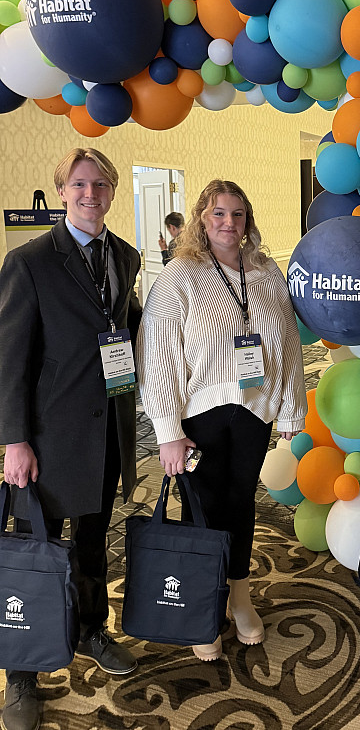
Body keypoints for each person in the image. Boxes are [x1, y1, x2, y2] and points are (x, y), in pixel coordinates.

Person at [135, 179, 306, 662]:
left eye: (236, 214)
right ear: (201, 220)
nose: (228, 223)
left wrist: (292, 407)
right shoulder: (179, 275)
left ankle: (240, 593)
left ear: (247, 220)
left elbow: (288, 341)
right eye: (217, 214)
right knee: (204, 508)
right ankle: (203, 603)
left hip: (254, 412)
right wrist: (167, 431)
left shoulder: (267, 271)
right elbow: (159, 355)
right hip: (200, 415)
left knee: (240, 502)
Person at [0, 148, 141, 730]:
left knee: (90, 543)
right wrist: (13, 441)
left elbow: (122, 329)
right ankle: (22, 674)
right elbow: (10, 359)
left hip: (107, 430)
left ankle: (90, 631)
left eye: (100, 184)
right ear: (62, 191)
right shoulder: (29, 261)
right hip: (50, 437)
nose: (90, 194)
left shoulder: (125, 257)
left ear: (111, 192)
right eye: (79, 184)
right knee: (33, 555)